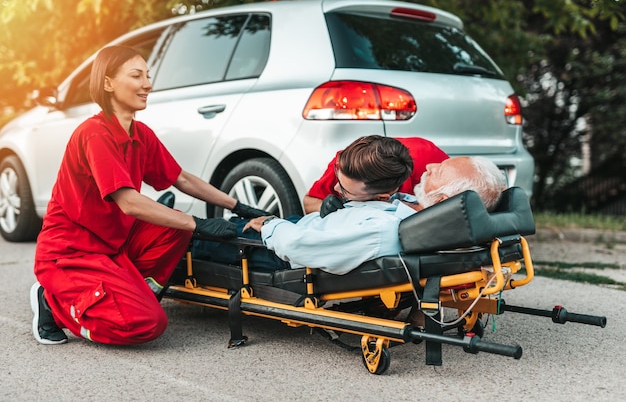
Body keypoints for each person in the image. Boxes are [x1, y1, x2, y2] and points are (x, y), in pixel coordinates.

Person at [30, 46, 268, 346]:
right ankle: (53, 305)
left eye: (148, 75)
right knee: (145, 324)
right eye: (136, 76)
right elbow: (129, 202)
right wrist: (199, 223)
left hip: (113, 243)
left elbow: (181, 178)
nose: (147, 84)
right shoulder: (95, 134)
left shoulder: (140, 133)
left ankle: (125, 291)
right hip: (72, 252)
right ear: (107, 83)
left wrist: (238, 205)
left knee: (174, 226)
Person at [198, 136, 506, 275]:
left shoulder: (381, 229)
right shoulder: (412, 210)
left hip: (278, 252)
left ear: (442, 199)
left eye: (436, 172)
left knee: (194, 238)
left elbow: (301, 245)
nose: (427, 169)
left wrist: (270, 225)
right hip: (302, 230)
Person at [303, 137, 449, 216]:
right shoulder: (345, 163)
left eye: (344, 190)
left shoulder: (431, 163)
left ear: (382, 197)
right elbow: (308, 202)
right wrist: (323, 206)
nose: (336, 188)